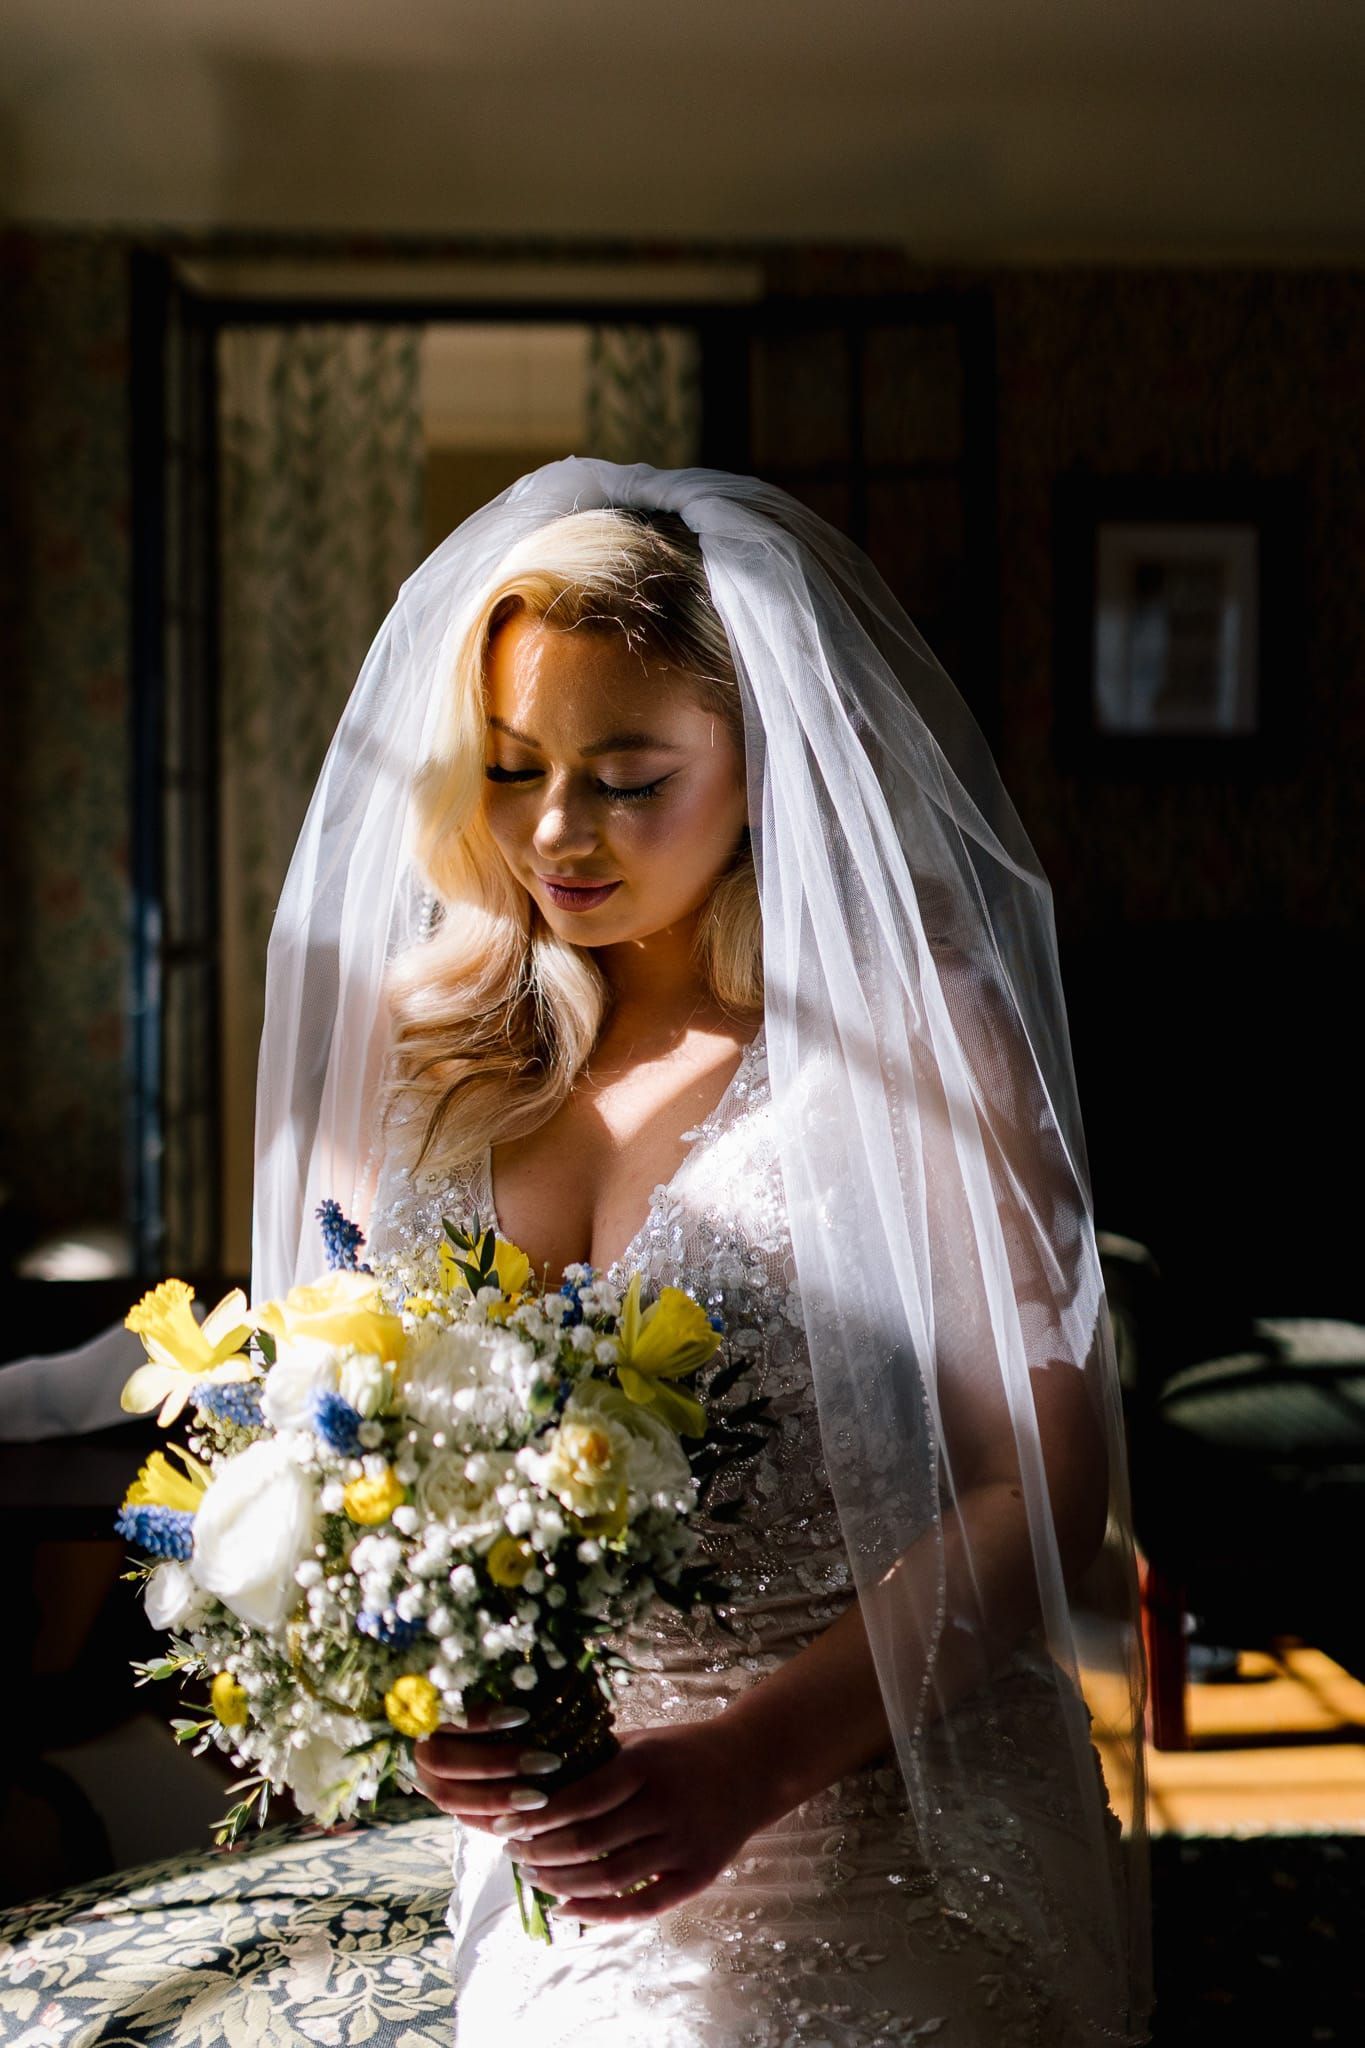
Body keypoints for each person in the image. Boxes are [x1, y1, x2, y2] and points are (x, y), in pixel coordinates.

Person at [253, 459, 1154, 2045]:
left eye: (626, 773)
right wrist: (419, 1715)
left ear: (759, 765)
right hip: (561, 1839)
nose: (555, 830)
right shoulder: (416, 1047)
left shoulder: (907, 1038)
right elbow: (323, 1452)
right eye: (513, 766)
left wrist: (744, 1764)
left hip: (876, 1804)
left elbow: (1046, 1492)